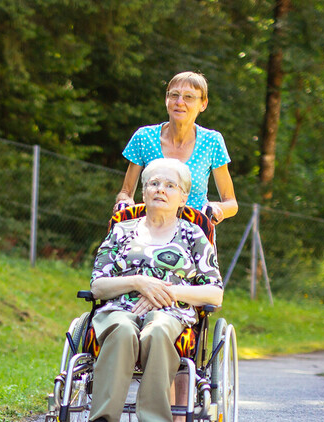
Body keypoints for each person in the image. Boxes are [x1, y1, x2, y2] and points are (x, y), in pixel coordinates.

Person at [90, 158, 224, 422]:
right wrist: (138, 282)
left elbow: (214, 293)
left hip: (171, 313)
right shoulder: (121, 230)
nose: (160, 189)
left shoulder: (194, 235)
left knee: (158, 329)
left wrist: (169, 292)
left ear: (183, 196)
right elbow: (97, 286)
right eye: (154, 183)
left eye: (170, 185)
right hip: (119, 309)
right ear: (144, 192)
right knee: (123, 328)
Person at [113, 72, 238, 225]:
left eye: (189, 97)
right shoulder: (144, 137)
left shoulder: (212, 141)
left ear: (203, 104)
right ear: (167, 99)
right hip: (151, 231)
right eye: (174, 95)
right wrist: (124, 203)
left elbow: (231, 203)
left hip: (195, 234)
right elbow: (126, 193)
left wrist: (217, 208)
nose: (180, 102)